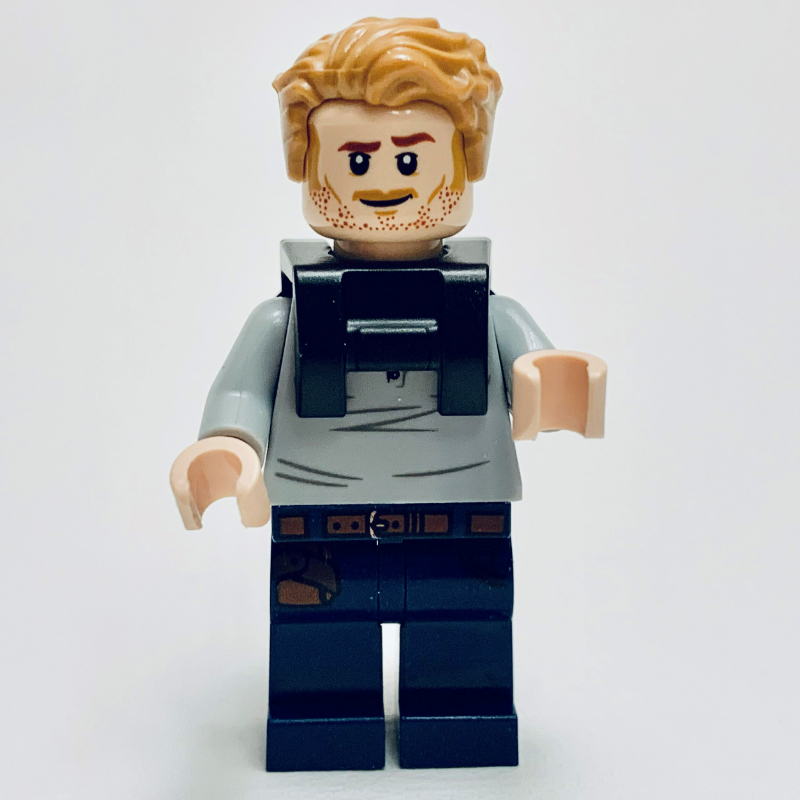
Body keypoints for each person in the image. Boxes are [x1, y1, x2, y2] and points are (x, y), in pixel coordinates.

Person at [170, 17, 606, 771]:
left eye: (409, 157)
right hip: (318, 513)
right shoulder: (283, 317)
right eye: (356, 158)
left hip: (462, 506)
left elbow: (533, 356)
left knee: (463, 633)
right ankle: (321, 722)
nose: (383, 183)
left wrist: (547, 375)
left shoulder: (487, 306)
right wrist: (229, 445)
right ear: (308, 165)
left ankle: (459, 719)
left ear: (466, 160)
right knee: (320, 644)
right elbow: (241, 390)